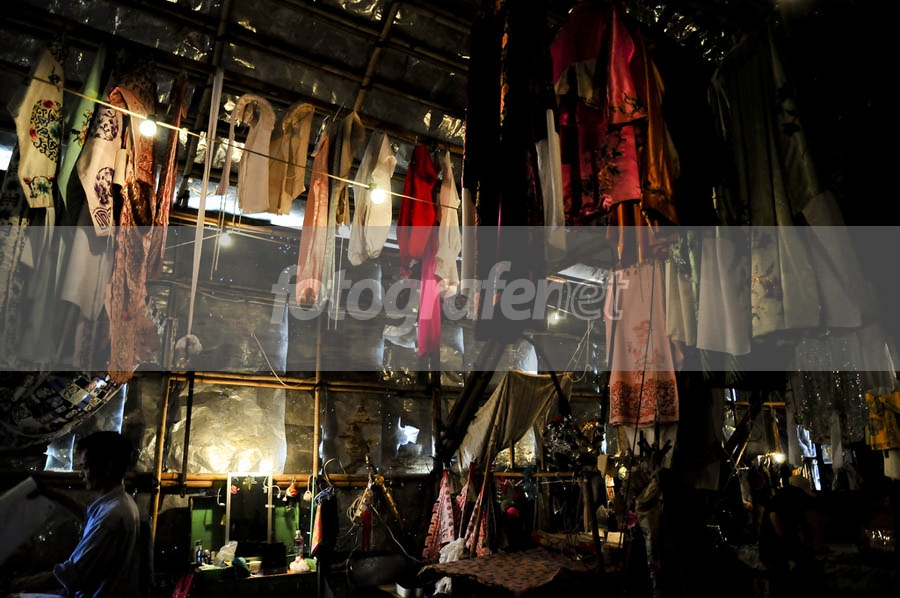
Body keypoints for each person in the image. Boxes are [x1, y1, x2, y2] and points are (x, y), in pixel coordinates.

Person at [8, 431, 144, 597]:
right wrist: (52, 493)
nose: (81, 474)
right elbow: (90, 516)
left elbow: (70, 575)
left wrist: (16, 584)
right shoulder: (120, 502)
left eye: (85, 467)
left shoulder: (112, 516)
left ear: (108, 467)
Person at [758, 464, 825, 597]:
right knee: (782, 580)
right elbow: (775, 517)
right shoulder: (783, 499)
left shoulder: (788, 499)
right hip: (773, 549)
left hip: (777, 547)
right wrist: (785, 538)